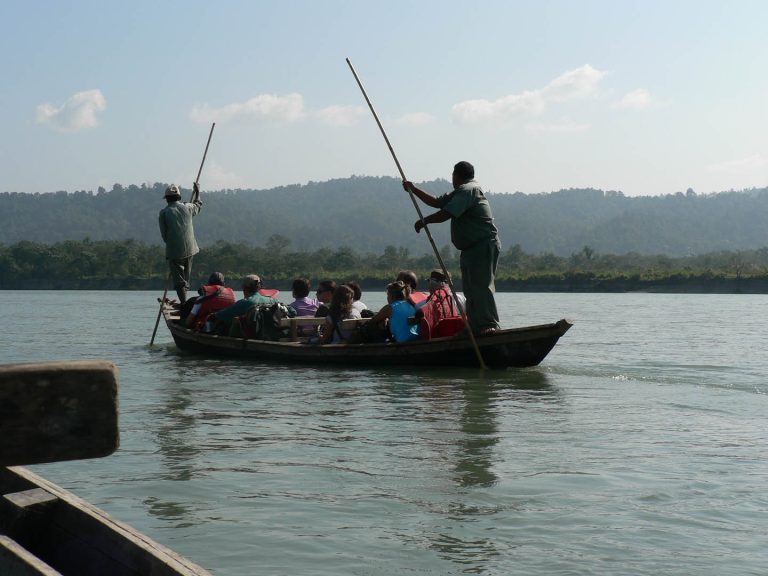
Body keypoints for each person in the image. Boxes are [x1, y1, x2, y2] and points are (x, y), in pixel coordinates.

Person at [403, 161, 500, 335]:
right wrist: (414, 189)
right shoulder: (459, 192)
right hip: (469, 250)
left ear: (456, 176)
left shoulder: (468, 190)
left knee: (482, 287)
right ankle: (474, 327)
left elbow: (447, 213)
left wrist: (425, 221)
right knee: (470, 289)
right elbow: (436, 202)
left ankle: (488, 325)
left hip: (482, 245)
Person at [158, 183, 202, 304]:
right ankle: (185, 302)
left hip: (175, 251)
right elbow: (197, 205)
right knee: (185, 280)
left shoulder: (164, 213)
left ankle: (184, 304)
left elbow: (164, 235)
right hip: (190, 249)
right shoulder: (187, 207)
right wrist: (198, 192)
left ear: (166, 199)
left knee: (179, 282)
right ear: (179, 197)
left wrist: (173, 244)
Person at [208, 274, 277, 335]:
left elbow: (218, 316)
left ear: (244, 287)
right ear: (259, 287)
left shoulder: (245, 302)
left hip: (251, 337)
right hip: (268, 335)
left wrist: (211, 316)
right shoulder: (272, 301)